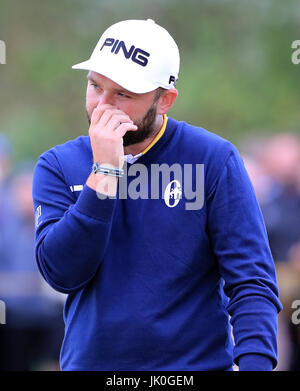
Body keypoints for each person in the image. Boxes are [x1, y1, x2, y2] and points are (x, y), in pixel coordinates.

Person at [32, 19, 282, 371]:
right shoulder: (58, 164)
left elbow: (251, 281)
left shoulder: (212, 158)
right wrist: (103, 175)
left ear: (164, 100)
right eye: (95, 86)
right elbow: (62, 273)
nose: (103, 106)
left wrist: (255, 364)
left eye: (123, 94)